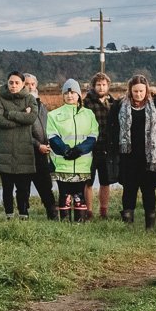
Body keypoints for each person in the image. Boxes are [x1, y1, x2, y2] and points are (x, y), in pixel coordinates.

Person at [107, 73, 156, 228]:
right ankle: (128, 223)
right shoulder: (119, 106)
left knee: (149, 190)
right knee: (129, 190)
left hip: (150, 157)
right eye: (135, 91)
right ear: (130, 90)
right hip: (127, 156)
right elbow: (111, 130)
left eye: (141, 91)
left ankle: (149, 225)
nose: (138, 94)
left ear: (146, 90)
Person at [0, 71, 40, 218]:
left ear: (23, 84)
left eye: (17, 83)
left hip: (24, 149)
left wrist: (10, 114)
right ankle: (9, 214)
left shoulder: (30, 99)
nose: (13, 85)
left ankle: (23, 213)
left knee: (23, 187)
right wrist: (21, 117)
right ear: (7, 83)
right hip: (4, 151)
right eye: (11, 82)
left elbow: (31, 118)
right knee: (7, 187)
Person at [47, 78, 99, 219]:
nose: (70, 96)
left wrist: (79, 150)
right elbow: (52, 136)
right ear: (63, 95)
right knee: (64, 194)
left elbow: (93, 135)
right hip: (62, 163)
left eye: (73, 92)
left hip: (82, 163)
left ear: (79, 95)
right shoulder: (53, 115)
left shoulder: (88, 114)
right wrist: (65, 150)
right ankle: (64, 222)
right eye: (67, 93)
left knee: (79, 194)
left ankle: (79, 221)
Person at [23, 72, 59, 219]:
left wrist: (49, 141)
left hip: (42, 153)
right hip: (25, 153)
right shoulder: (19, 105)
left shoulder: (41, 105)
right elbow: (22, 131)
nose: (30, 86)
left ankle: (52, 214)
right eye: (26, 84)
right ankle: (23, 215)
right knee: (23, 187)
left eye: (32, 84)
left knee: (45, 185)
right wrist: (38, 145)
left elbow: (47, 126)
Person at [82, 72, 115, 218]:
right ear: (93, 86)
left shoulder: (113, 103)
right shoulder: (87, 102)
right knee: (88, 181)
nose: (101, 87)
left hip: (107, 147)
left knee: (105, 181)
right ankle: (88, 211)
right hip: (91, 147)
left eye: (104, 84)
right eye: (98, 85)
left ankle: (104, 211)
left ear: (108, 86)